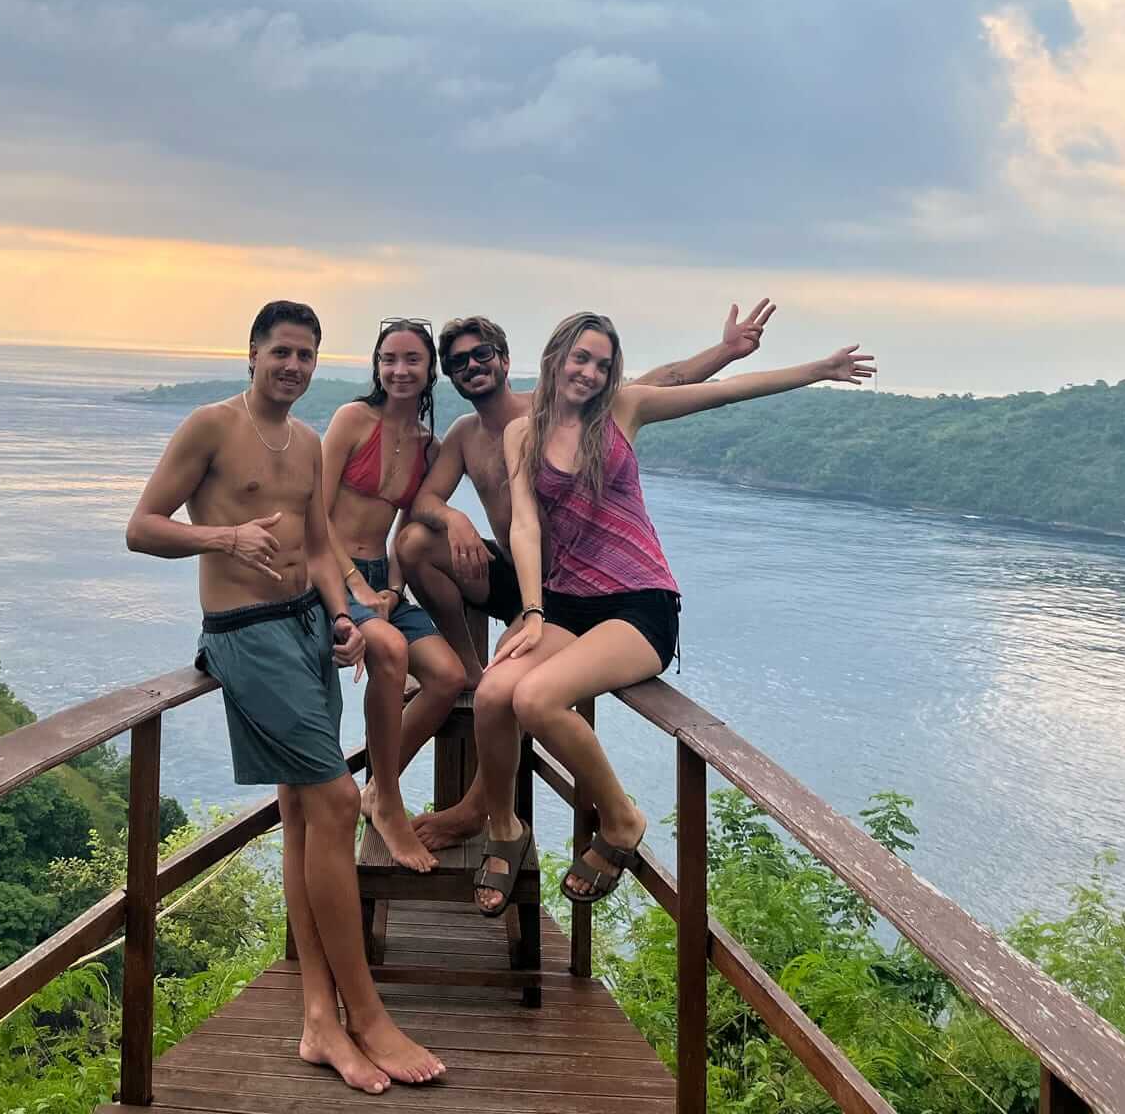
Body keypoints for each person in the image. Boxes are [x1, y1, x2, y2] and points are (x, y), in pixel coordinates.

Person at [125, 301, 444, 1093]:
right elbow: (141, 526)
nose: (294, 367)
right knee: (337, 802)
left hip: (307, 626)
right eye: (282, 353)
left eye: (306, 355)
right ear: (253, 355)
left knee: (306, 812)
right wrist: (225, 538)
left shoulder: (306, 443)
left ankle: (317, 1020)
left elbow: (319, 543)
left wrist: (343, 617)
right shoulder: (210, 426)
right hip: (245, 631)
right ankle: (364, 1015)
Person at [469, 310, 874, 918]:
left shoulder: (623, 412)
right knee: (494, 691)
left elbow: (723, 391)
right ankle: (504, 828)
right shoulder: (521, 434)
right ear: (555, 359)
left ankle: (623, 819)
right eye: (581, 358)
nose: (590, 372)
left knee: (536, 699)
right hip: (566, 603)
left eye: (603, 364)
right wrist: (530, 610)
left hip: (640, 605)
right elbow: (524, 524)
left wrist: (819, 369)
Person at [400, 302, 776, 853]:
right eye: (458, 362)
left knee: (526, 696)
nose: (472, 365)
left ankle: (480, 806)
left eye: (483, 354)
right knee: (417, 545)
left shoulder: (556, 410)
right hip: (526, 580)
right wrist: (454, 517)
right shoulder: (463, 434)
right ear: (449, 376)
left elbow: (658, 386)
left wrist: (726, 352)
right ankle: (468, 671)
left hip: (575, 588)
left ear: (507, 360)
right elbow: (428, 502)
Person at [322, 318, 467, 874]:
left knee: (448, 677)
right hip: (332, 570)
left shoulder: (427, 444)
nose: (399, 371)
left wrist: (393, 587)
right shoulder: (353, 419)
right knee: (391, 651)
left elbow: (408, 527)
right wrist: (357, 587)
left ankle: (378, 790)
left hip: (381, 576)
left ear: (429, 369)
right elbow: (317, 511)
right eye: (389, 359)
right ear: (376, 366)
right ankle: (390, 801)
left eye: (411, 360)